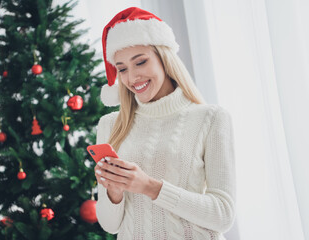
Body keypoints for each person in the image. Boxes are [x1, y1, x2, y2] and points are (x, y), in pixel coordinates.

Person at [94, 7, 236, 240]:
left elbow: (223, 215)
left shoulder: (211, 118)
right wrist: (114, 192)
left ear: (164, 58)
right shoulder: (110, 125)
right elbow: (110, 225)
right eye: (122, 69)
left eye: (140, 62)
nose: (132, 78)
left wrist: (150, 187)